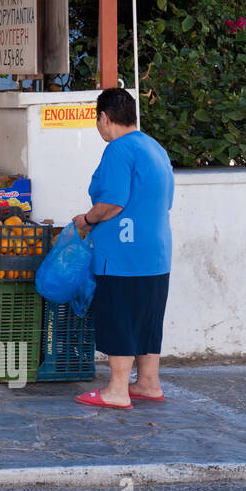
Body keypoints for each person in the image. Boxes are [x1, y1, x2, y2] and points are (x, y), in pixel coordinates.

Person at [72, 88, 174, 410]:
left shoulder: (119, 149)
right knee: (147, 319)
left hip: (123, 254)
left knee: (120, 318)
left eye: (98, 121)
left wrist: (87, 220)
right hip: (156, 252)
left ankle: (117, 390)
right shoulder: (154, 147)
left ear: (104, 118)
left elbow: (113, 202)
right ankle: (148, 383)